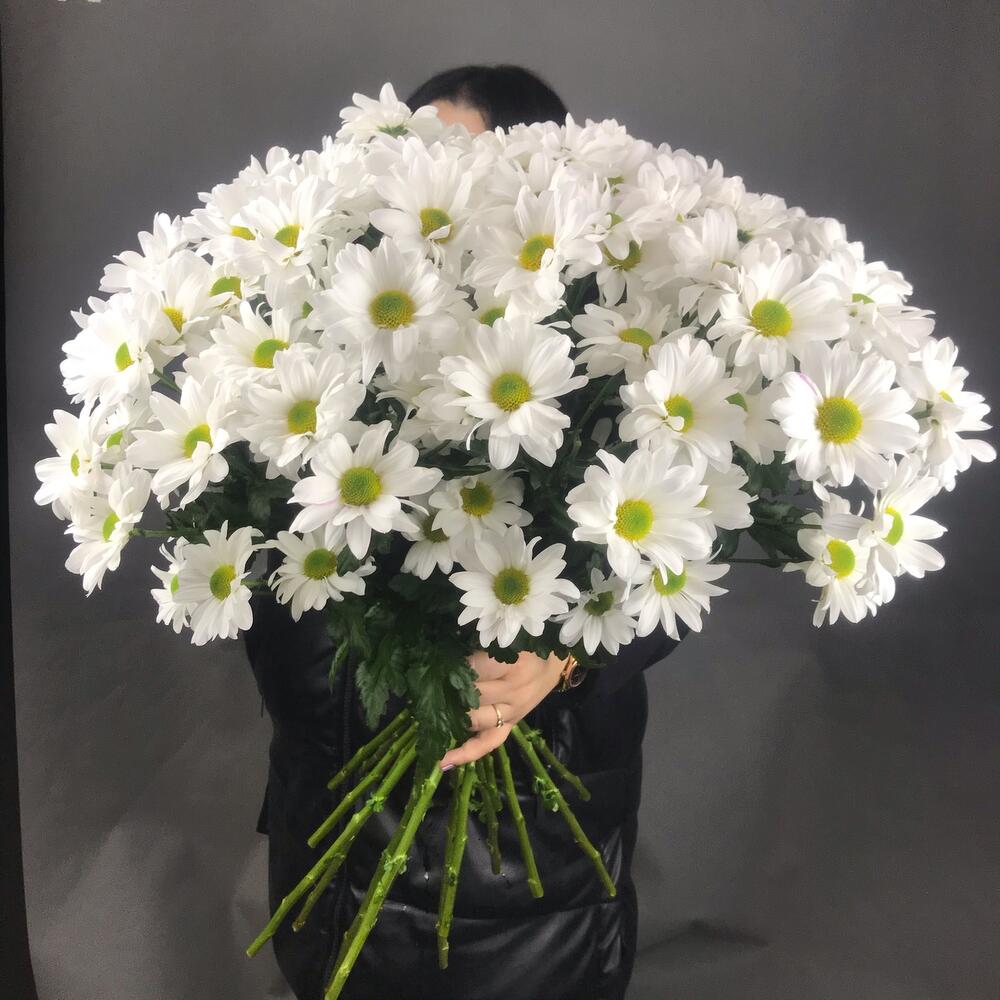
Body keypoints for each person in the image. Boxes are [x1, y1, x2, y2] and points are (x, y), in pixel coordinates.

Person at [242, 64, 688, 1000]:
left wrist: (566, 657)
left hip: (527, 869)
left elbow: (685, 560)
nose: (433, 200)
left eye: (463, 168)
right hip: (331, 825)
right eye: (413, 164)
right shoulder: (319, 341)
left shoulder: (609, 355)